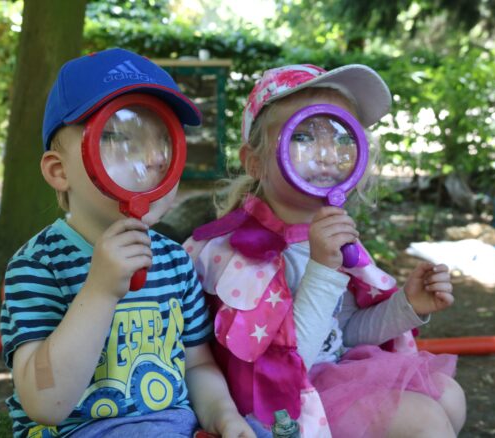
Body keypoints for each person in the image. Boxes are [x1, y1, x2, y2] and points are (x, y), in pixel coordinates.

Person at [184, 64, 467, 437]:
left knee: (449, 396)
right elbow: (283, 363)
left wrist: (407, 307)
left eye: (340, 136)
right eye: (302, 136)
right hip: (277, 404)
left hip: (332, 376)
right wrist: (321, 270)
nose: (327, 153)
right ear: (255, 162)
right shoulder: (234, 253)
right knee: (424, 421)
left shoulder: (333, 232)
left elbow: (344, 333)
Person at [0, 48, 255, 438]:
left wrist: (225, 418)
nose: (153, 159)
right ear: (59, 170)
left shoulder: (174, 260)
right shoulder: (37, 266)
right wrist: (101, 290)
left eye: (163, 142)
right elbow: (44, 403)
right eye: (123, 140)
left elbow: (197, 365)